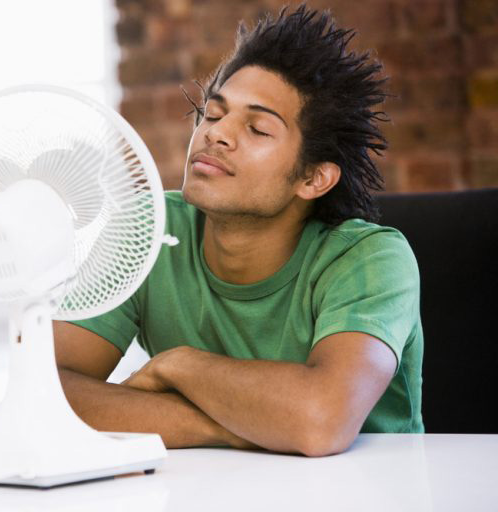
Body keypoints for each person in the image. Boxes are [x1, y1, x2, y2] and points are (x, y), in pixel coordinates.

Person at [54, 4, 423, 457]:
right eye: (212, 114)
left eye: (257, 129)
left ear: (313, 178)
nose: (216, 134)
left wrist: (178, 366)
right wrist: (231, 427)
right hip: (210, 488)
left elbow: (321, 422)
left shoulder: (371, 260)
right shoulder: (146, 228)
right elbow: (46, 394)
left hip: (365, 488)